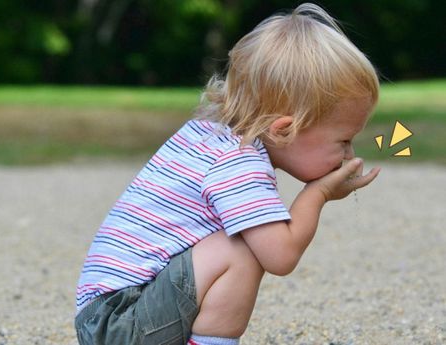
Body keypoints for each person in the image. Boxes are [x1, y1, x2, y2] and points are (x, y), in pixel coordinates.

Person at [74, 3, 381, 344]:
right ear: (282, 131)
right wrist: (317, 194)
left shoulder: (211, 137)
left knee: (242, 238)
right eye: (344, 140)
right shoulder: (237, 162)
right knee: (242, 249)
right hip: (118, 323)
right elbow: (280, 256)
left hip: (109, 316)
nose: (348, 155)